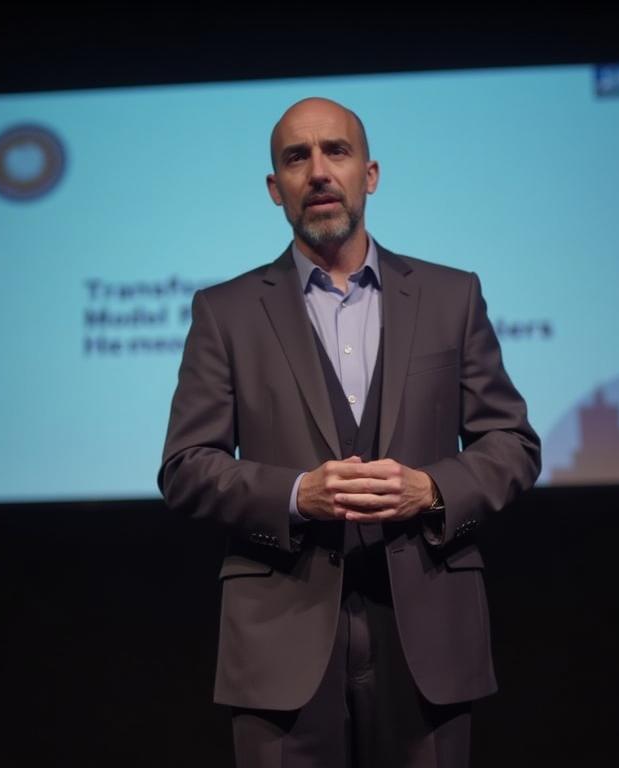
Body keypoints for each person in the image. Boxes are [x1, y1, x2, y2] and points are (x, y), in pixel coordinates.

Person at [159, 97, 541, 767]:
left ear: (371, 173)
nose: (318, 171)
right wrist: (295, 492)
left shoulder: (452, 296)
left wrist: (432, 489)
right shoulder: (224, 312)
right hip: (281, 632)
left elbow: (511, 443)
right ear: (276, 189)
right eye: (296, 158)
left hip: (428, 626)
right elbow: (187, 465)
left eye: (336, 151)